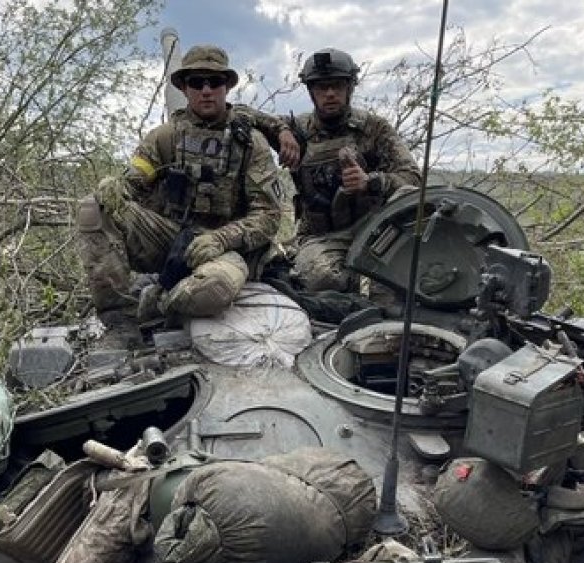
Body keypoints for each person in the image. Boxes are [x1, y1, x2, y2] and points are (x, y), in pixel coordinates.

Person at [75, 45, 285, 353]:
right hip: (171, 240)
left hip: (226, 252)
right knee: (93, 208)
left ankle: (159, 302)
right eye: (197, 82)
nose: (206, 90)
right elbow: (135, 181)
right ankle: (119, 324)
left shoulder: (251, 144)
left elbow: (268, 216)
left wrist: (222, 238)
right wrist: (115, 187)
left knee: (213, 290)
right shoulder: (164, 137)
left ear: (226, 87)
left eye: (214, 82)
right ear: (184, 88)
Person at [243, 47, 422, 292]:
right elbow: (239, 114)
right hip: (321, 236)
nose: (330, 94)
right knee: (322, 281)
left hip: (375, 228)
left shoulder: (373, 128)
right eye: (321, 88)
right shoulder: (299, 130)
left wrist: (370, 182)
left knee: (395, 278)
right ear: (311, 92)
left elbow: (413, 180)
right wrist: (280, 130)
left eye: (337, 86)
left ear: (349, 88)